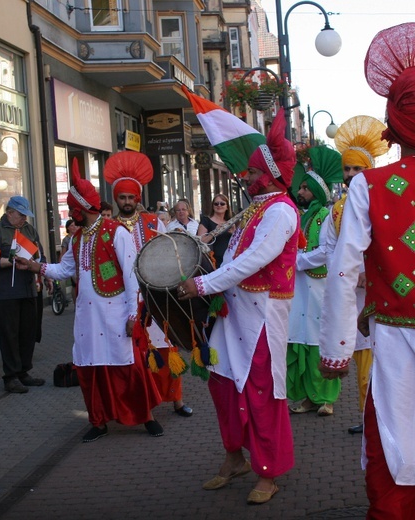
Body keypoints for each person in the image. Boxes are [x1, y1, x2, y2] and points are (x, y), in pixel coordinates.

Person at [178, 108, 301, 504]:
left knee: (262, 393)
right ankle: (235, 457)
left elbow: (253, 261)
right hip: (232, 315)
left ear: (266, 174)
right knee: (224, 387)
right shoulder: (254, 210)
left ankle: (269, 472)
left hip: (262, 315)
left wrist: (202, 284)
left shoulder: (280, 210)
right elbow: (231, 256)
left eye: (250, 173)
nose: (244, 178)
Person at [319, 23, 415, 519]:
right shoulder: (368, 187)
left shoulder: (369, 187)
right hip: (392, 336)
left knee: (397, 444)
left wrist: (335, 349)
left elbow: (343, 270)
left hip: (396, 342)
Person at [16, 158, 163, 442]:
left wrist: (134, 314)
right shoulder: (76, 238)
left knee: (128, 367)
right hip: (86, 316)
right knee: (91, 369)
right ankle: (98, 421)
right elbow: (66, 270)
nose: (72, 216)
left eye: (74, 211)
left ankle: (146, 417)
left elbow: (133, 275)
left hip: (116, 314)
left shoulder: (116, 232)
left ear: (84, 209)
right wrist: (37, 267)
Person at [105, 150, 193, 418]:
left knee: (167, 348)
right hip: (125, 300)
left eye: (132, 197)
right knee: (137, 355)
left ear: (138, 198)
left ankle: (176, 400)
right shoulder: (108, 228)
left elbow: (168, 254)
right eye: (123, 197)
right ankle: (146, 405)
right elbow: (107, 264)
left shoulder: (152, 221)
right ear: (116, 199)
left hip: (155, 294)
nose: (128, 201)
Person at [330, 115, 389, 434]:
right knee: (361, 365)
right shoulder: (337, 208)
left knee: (387, 362)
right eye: (348, 169)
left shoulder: (382, 199)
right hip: (351, 295)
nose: (351, 174)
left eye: (358, 169)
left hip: (382, 294)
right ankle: (369, 420)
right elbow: (331, 248)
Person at [287, 146, 343, 417]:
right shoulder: (302, 216)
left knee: (319, 341)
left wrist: (295, 260)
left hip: (319, 287)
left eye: (305, 189)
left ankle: (326, 398)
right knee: (302, 339)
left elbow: (324, 251)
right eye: (301, 189)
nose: (300, 192)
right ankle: (309, 397)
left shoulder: (325, 216)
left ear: (317, 193)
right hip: (300, 289)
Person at [0, 196, 45, 394]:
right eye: (21, 215)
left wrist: (41, 270)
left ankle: (23, 371)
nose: (24, 220)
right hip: (7, 291)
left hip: (28, 287)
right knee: (9, 334)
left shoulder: (28, 230)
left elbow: (39, 255)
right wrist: (10, 261)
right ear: (9, 213)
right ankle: (10, 376)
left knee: (28, 331)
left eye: (26, 216)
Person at [197, 193, 234, 268]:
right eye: (216, 204)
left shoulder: (231, 222)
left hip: (229, 260)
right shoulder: (206, 221)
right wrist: (214, 232)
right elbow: (200, 242)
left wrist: (234, 234)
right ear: (213, 206)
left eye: (222, 203)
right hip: (212, 261)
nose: (219, 206)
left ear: (227, 207)